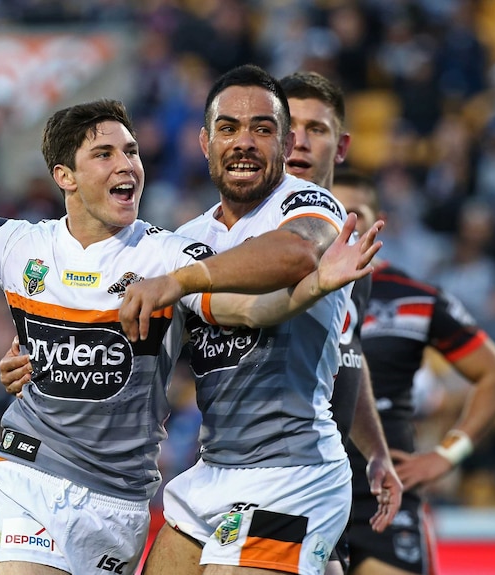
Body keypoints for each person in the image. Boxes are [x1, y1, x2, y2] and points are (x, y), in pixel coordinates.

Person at [0, 95, 378, 575]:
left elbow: (251, 311)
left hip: (122, 502)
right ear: (65, 176)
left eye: (132, 151)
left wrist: (317, 286)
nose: (127, 164)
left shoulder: (169, 258)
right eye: (105, 154)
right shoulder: (17, 246)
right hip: (30, 478)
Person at [118, 64, 394, 575]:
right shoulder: (185, 236)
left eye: (262, 129)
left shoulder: (310, 204)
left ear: (284, 143)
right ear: (204, 142)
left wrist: (182, 279)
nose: (244, 142)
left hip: (293, 470)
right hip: (215, 469)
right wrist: (34, 358)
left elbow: (297, 255)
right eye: (228, 128)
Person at [329, 168, 495, 575]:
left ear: (380, 221)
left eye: (356, 214)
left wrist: (448, 455)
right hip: (303, 486)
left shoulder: (415, 297)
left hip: (382, 497)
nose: (344, 226)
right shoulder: (288, 293)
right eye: (334, 213)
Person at [280, 71, 402, 575]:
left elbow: (347, 353)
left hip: (322, 479)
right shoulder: (237, 236)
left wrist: (376, 451)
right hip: (253, 470)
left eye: (317, 128)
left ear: (343, 144)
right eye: (287, 127)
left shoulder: (350, 246)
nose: (300, 142)